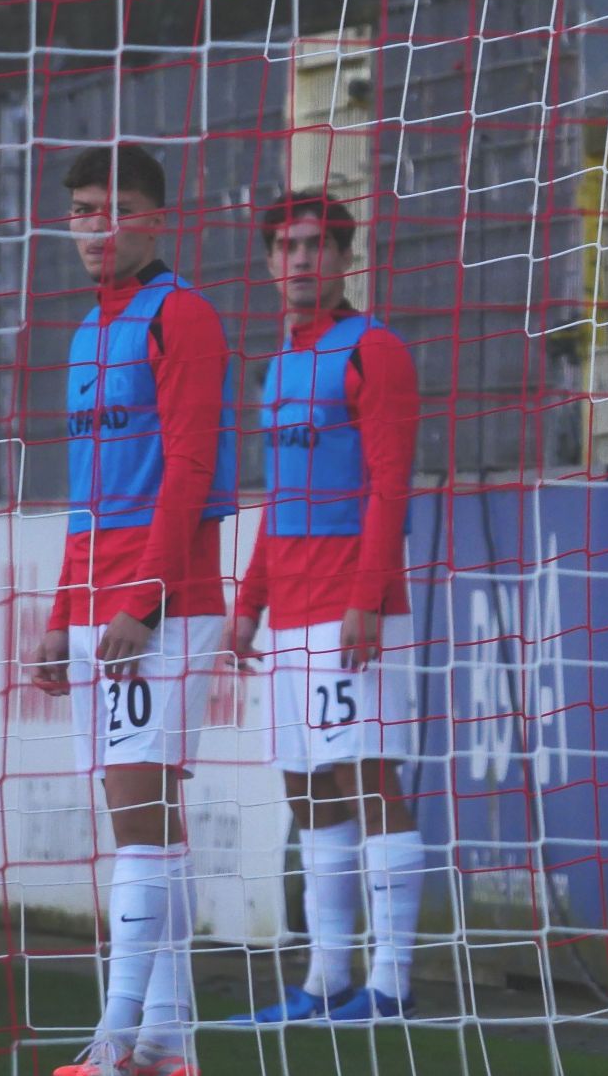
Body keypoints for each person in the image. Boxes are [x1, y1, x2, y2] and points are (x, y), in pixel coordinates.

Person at [27, 145, 237, 1076]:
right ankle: (167, 1043)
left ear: (154, 217)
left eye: (111, 208)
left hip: (159, 605)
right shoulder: (87, 330)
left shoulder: (181, 314)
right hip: (96, 604)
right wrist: (59, 610)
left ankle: (114, 1044)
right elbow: (88, 495)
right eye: (80, 208)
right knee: (149, 822)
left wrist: (143, 601)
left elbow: (189, 467)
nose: (93, 225)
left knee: (138, 819)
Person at [223, 192, 423, 1024]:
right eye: (285, 246)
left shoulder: (374, 350)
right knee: (306, 791)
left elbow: (390, 484)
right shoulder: (279, 365)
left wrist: (366, 598)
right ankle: (324, 980)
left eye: (314, 245)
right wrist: (249, 605)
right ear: (270, 262)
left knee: (367, 779)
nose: (300, 259)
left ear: (345, 256)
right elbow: (281, 498)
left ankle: (391, 983)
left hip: (352, 608)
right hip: (291, 614)